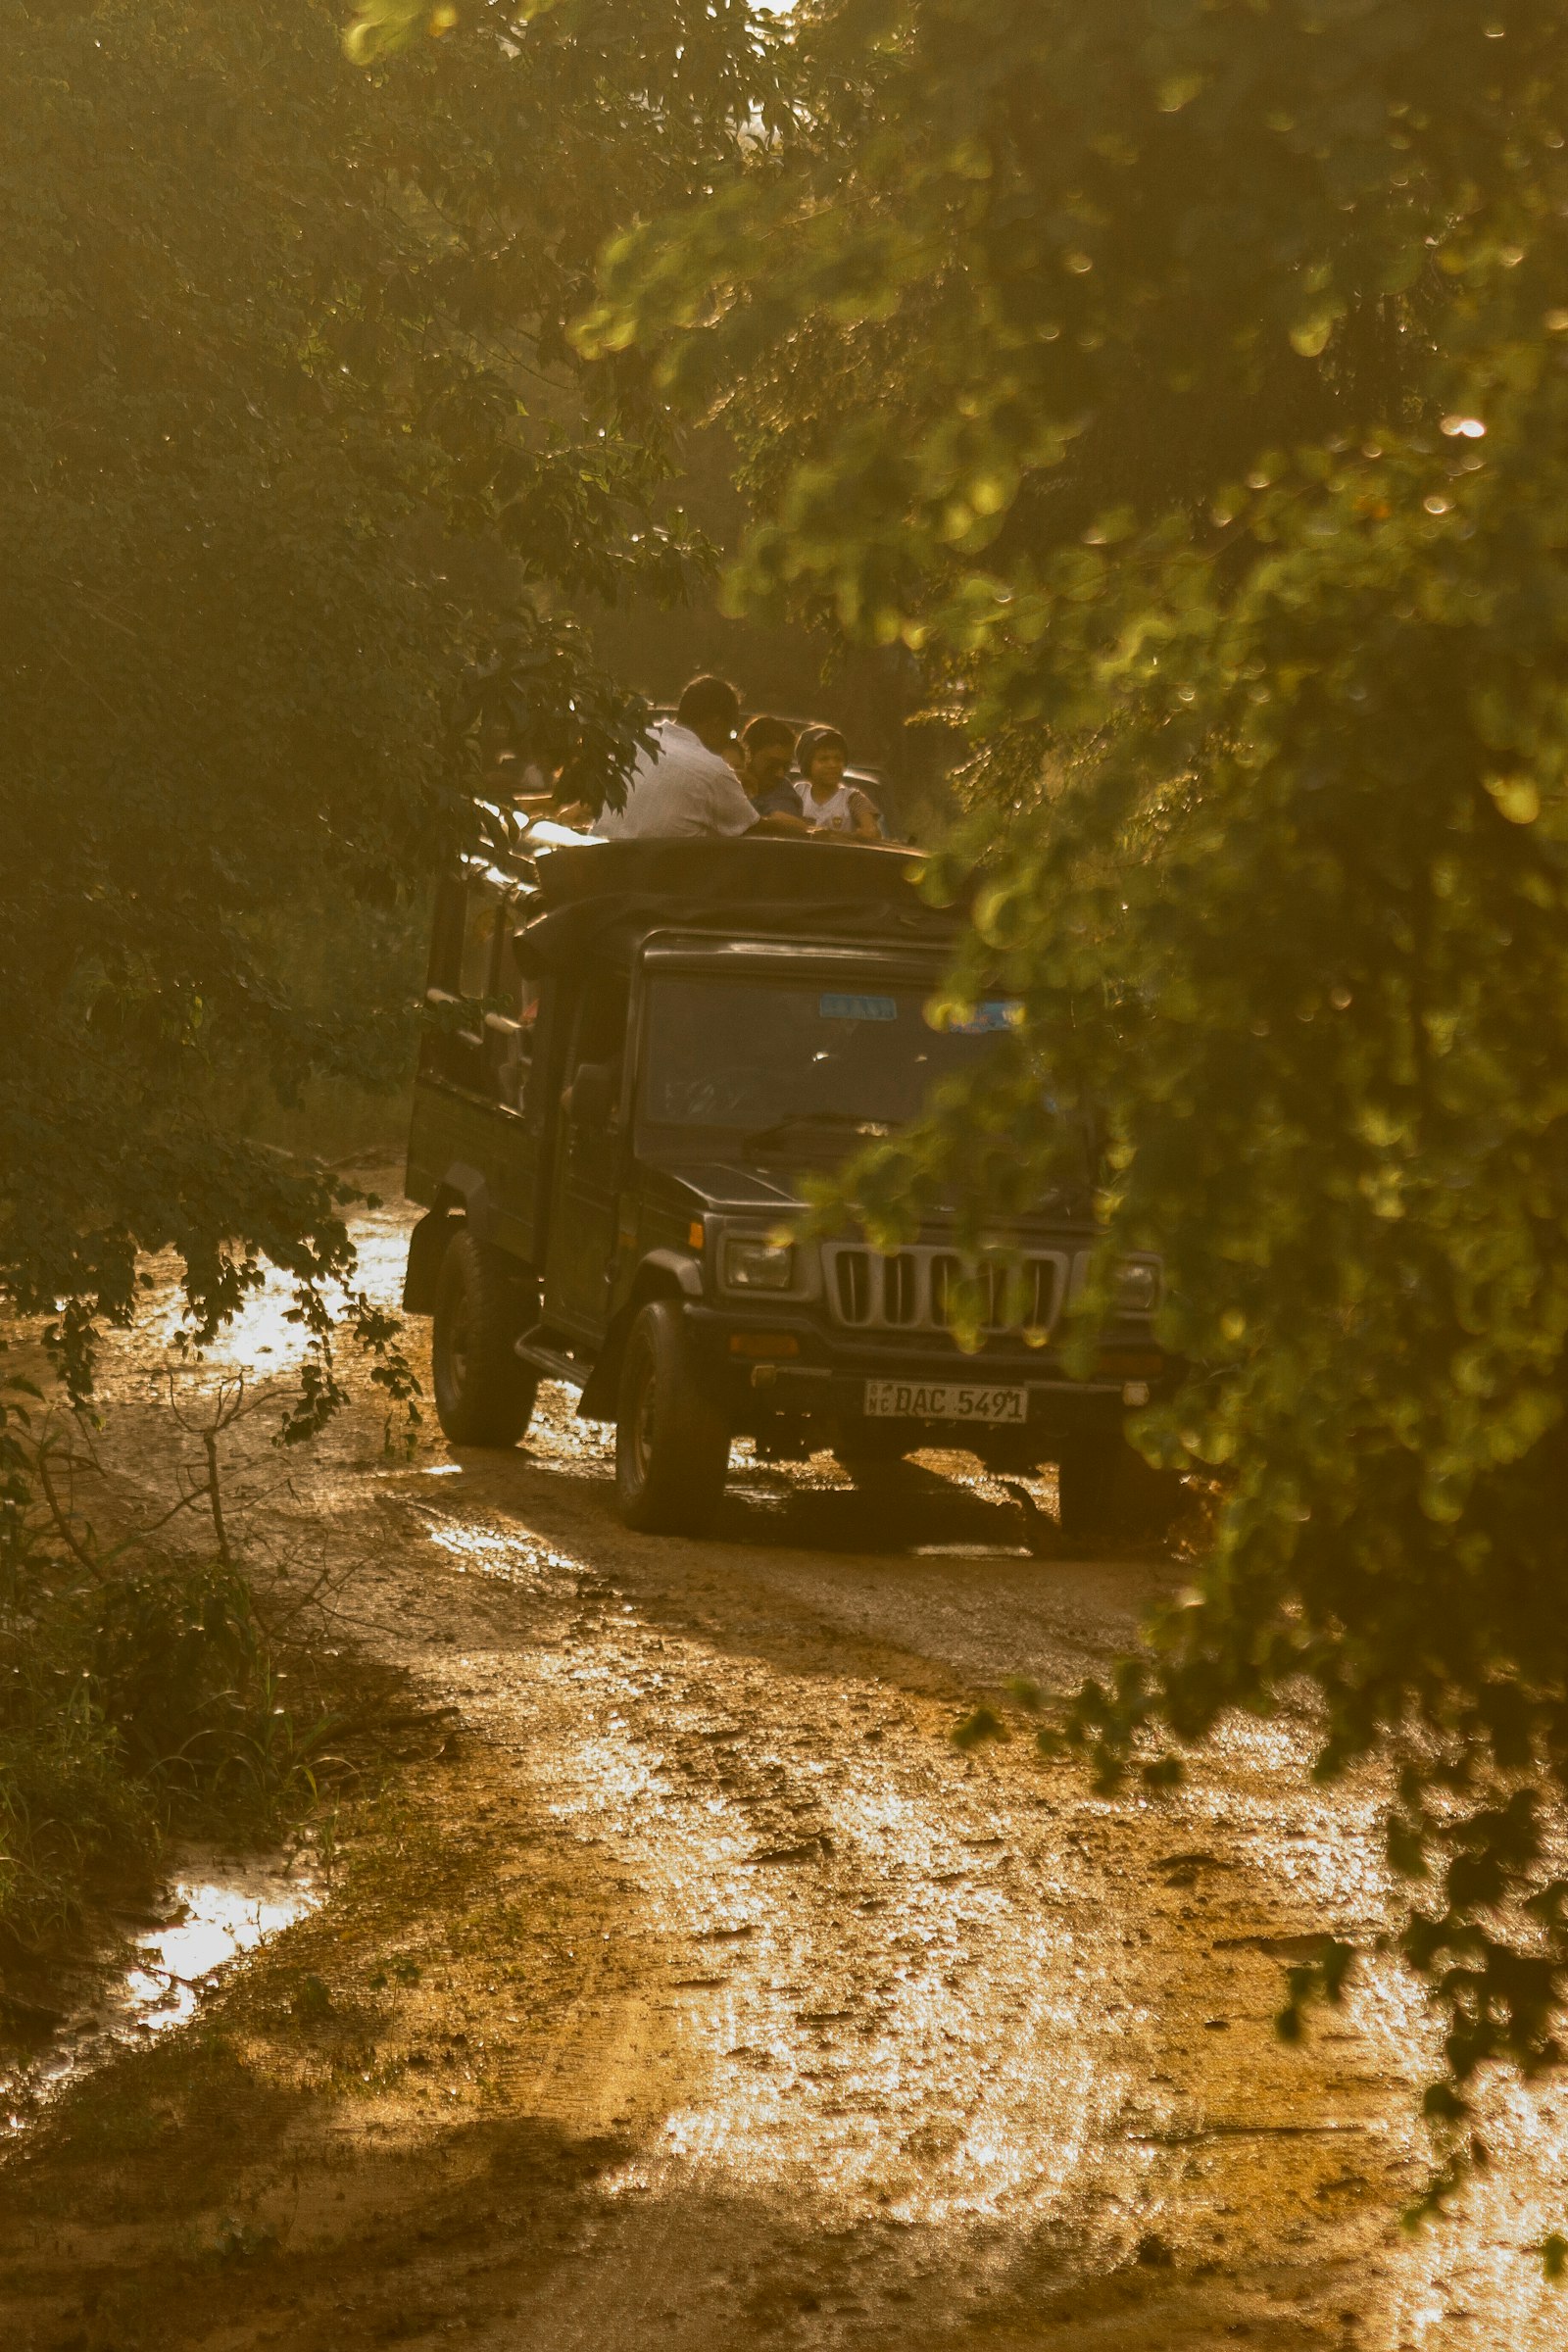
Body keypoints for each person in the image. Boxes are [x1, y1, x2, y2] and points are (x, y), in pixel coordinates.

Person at [593, 677, 809, 841]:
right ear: (716, 724)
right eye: (729, 731)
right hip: (656, 885)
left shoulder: (635, 740)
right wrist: (811, 833)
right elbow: (753, 828)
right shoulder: (713, 770)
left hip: (601, 864)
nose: (727, 741)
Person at [792, 725, 882, 842]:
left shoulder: (853, 799)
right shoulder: (798, 793)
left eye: (838, 759)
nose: (832, 765)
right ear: (807, 764)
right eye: (824, 759)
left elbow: (871, 831)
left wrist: (866, 832)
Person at [737, 714, 804, 817]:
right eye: (773, 764)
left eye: (786, 766)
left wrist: (752, 799)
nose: (780, 774)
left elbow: (779, 823)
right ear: (748, 754)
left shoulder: (784, 797)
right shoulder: (724, 782)